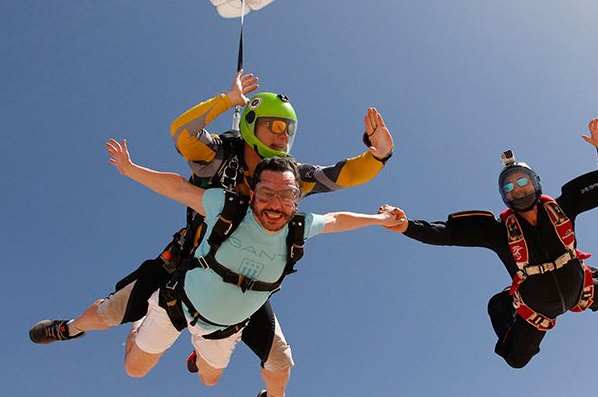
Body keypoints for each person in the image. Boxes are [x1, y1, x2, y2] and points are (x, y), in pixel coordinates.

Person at [30, 71, 393, 395]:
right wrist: (227, 101)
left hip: (244, 280)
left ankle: (204, 339)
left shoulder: (289, 178)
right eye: (274, 125)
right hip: (185, 260)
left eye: (289, 129)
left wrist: (378, 155)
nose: (283, 136)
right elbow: (181, 134)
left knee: (266, 364)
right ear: (251, 123)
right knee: (109, 316)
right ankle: (71, 327)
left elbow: (340, 177)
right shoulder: (220, 153)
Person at [106, 140, 402, 388]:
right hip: (181, 301)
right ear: (252, 196)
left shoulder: (298, 227)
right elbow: (180, 189)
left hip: (223, 325)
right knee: (134, 369)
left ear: (297, 199)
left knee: (210, 380)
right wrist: (130, 169)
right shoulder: (229, 208)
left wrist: (380, 219)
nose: (276, 203)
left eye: (287, 195)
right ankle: (140, 322)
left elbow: (338, 219)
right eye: (266, 194)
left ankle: (200, 349)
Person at [383, 118, 598, 368]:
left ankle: (586, 272)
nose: (517, 189)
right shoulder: (497, 231)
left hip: (578, 289)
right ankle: (506, 301)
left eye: (522, 182)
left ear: (536, 183)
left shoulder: (563, 207)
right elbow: (447, 233)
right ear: (504, 197)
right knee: (516, 360)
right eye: (509, 187)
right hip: (536, 308)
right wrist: (406, 226)